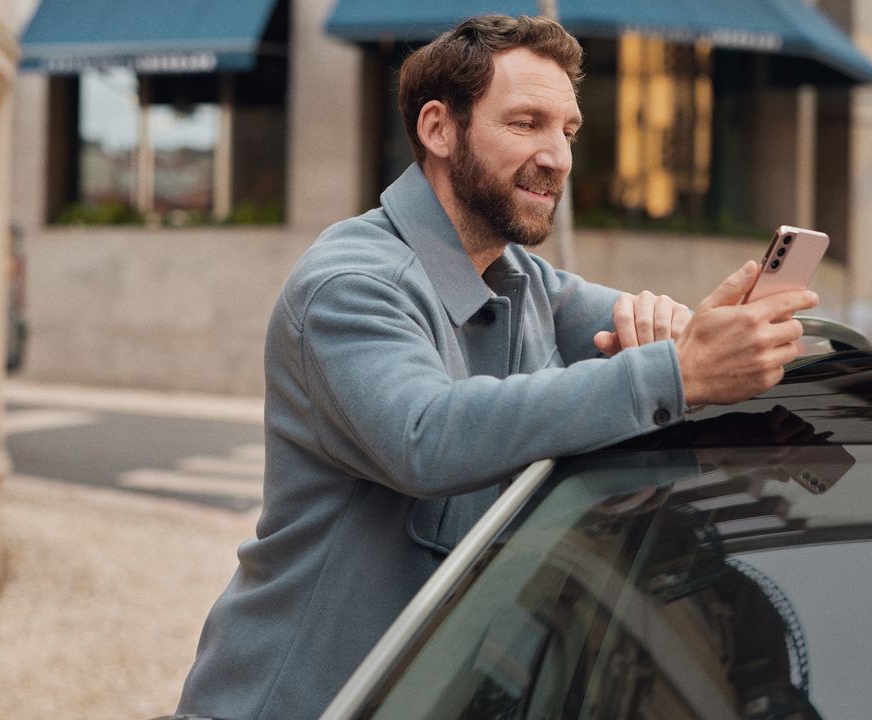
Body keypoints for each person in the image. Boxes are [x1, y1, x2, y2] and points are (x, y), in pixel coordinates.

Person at [176, 15, 816, 719]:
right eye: (526, 123)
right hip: (296, 701)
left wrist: (716, 340)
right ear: (439, 130)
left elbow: (674, 350)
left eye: (567, 131)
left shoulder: (526, 282)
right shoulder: (351, 285)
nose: (558, 156)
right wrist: (676, 372)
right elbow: (426, 436)